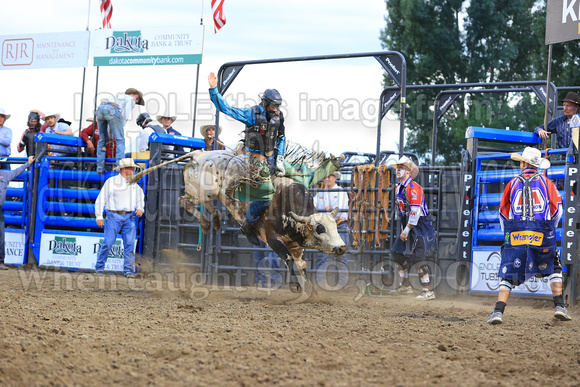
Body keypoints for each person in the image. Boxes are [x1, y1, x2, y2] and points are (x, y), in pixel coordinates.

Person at [487, 147, 571, 324]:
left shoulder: (512, 184)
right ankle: (559, 306)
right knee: (554, 266)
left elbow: (503, 212)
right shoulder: (547, 183)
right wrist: (549, 228)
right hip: (541, 230)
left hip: (517, 231)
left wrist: (508, 234)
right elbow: (557, 210)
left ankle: (498, 311)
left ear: (523, 163)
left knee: (508, 271)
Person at [207, 72, 286, 245]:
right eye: (273, 105)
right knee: (265, 195)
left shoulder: (278, 116)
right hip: (254, 159)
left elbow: (281, 137)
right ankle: (249, 223)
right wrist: (214, 90)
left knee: (291, 180)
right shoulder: (251, 114)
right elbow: (227, 109)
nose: (276, 109)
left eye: (278, 106)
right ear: (266, 103)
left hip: (273, 157)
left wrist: (280, 157)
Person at [388, 156, 436, 300]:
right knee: (397, 253)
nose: (398, 170)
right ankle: (406, 285)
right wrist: (405, 228)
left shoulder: (414, 188)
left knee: (418, 258)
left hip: (420, 226)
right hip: (409, 225)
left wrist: (406, 230)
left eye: (401, 168)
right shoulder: (398, 188)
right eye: (397, 167)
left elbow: (415, 212)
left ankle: (428, 290)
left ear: (408, 171)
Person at [94, 158, 145, 277]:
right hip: (113, 215)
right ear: (125, 169)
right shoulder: (111, 182)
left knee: (129, 245)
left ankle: (128, 270)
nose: (133, 170)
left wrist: (140, 209)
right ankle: (100, 268)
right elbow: (100, 200)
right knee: (108, 243)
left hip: (129, 216)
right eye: (131, 168)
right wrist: (99, 216)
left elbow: (140, 200)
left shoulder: (135, 185)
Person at [313, 171, 349, 289]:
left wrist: (327, 212)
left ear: (334, 178)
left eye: (329, 177)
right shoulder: (320, 194)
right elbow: (314, 210)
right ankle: (321, 284)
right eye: (325, 177)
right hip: (326, 229)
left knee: (341, 256)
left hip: (339, 226)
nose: (327, 179)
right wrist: (329, 212)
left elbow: (340, 210)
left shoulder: (341, 192)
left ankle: (341, 285)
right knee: (322, 256)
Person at [95, 88, 144, 174]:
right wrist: (120, 128)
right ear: (132, 94)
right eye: (137, 99)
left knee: (102, 140)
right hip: (113, 109)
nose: (136, 101)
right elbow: (124, 115)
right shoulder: (130, 99)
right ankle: (119, 167)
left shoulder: (117, 96)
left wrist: (110, 138)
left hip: (100, 108)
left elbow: (109, 121)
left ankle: (99, 167)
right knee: (120, 140)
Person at [0, 156, 34, 270]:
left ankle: (0, 261)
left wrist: (27, 164)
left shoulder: (4, 175)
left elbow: (16, 171)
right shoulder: (4, 175)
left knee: (1, 235)